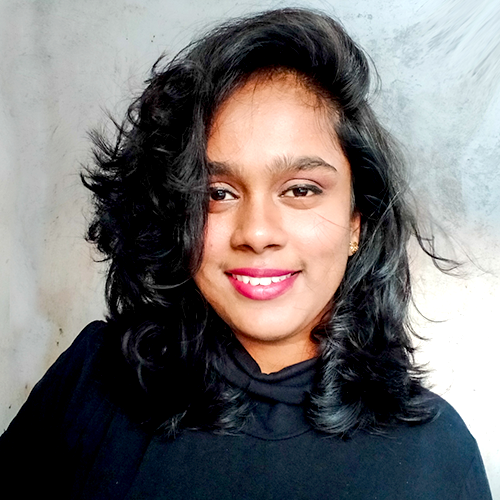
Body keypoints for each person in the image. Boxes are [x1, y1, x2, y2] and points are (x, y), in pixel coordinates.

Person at [0, 7, 492, 499]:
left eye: (300, 190)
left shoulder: (436, 454)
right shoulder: (92, 379)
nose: (256, 233)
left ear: (355, 223)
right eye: (218, 193)